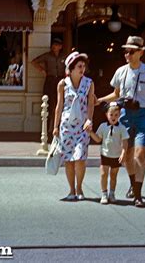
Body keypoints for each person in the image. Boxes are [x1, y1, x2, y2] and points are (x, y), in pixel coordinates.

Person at [97, 36, 145, 207]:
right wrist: (100, 100)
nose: (127, 54)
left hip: (143, 114)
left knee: (140, 153)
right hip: (125, 114)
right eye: (126, 51)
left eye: (131, 51)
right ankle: (133, 184)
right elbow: (116, 93)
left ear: (141, 52)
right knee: (127, 155)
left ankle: (138, 195)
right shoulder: (121, 71)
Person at [53, 51, 95, 201]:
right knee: (69, 159)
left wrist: (90, 120)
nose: (82, 69)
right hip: (67, 125)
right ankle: (71, 190)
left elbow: (91, 103)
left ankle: (79, 188)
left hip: (83, 125)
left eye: (83, 66)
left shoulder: (89, 83)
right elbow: (59, 105)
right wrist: (55, 126)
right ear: (71, 69)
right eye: (79, 66)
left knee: (80, 158)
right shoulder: (63, 84)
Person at [89, 102, 129, 204]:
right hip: (105, 154)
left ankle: (112, 193)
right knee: (103, 174)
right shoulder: (103, 126)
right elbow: (98, 139)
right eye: (111, 115)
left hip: (116, 155)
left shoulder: (122, 128)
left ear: (119, 115)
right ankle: (104, 193)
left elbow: (125, 142)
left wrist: (123, 153)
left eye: (116, 115)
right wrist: (90, 132)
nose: (113, 117)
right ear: (106, 114)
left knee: (113, 175)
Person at [32, 38, 66, 136]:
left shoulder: (64, 56)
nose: (55, 47)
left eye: (57, 45)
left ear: (60, 46)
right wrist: (43, 71)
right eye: (54, 45)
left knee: (60, 104)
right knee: (48, 105)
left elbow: (69, 65)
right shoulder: (47, 56)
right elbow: (34, 62)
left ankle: (58, 128)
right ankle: (46, 130)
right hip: (50, 80)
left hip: (60, 80)